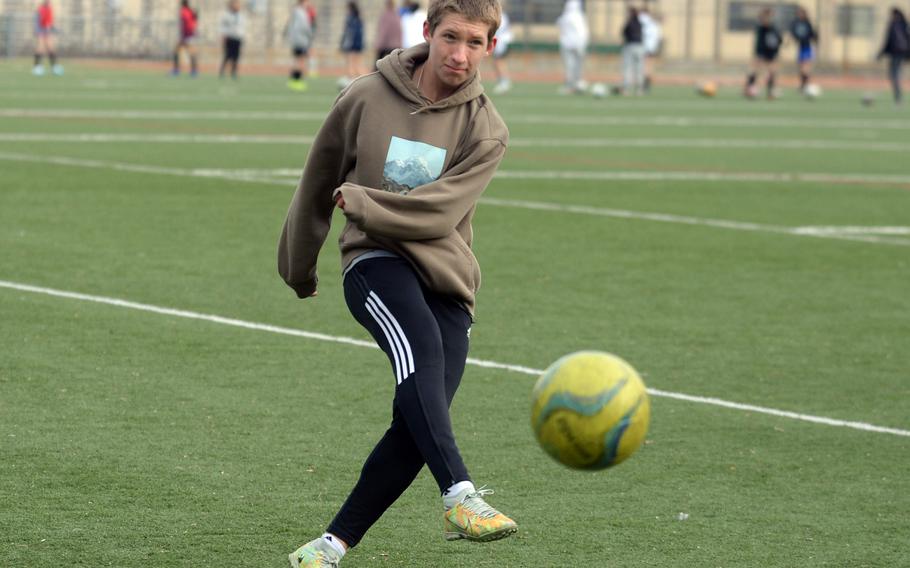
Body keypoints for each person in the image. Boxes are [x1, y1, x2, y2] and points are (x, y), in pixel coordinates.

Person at [278, 1, 516, 566]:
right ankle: (460, 494)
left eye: (475, 43)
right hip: (374, 260)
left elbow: (437, 213)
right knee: (422, 355)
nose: (460, 54)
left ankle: (330, 546)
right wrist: (299, 264)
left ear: (490, 48)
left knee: (417, 419)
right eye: (451, 37)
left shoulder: (487, 129)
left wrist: (362, 200)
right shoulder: (364, 95)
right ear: (427, 31)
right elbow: (317, 179)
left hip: (446, 275)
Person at [744, 7, 782, 100]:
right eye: (764, 18)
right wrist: (758, 55)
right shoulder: (760, 29)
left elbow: (779, 41)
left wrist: (776, 52)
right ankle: (749, 89)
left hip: (771, 54)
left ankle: (770, 92)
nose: (766, 20)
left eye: (768, 17)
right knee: (755, 71)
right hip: (761, 52)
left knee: (772, 72)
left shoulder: (774, 29)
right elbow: (759, 44)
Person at [877, 7, 910, 105]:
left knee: (893, 75)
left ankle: (898, 96)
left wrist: (881, 53)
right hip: (902, 53)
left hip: (896, 53)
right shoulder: (905, 24)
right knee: (895, 75)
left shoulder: (894, 25)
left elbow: (888, 41)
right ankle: (898, 95)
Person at [557, 0, 589, 94]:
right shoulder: (580, 17)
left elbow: (559, 24)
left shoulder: (568, 17)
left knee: (571, 66)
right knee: (576, 66)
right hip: (576, 45)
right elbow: (584, 32)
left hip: (569, 44)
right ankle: (576, 84)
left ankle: (572, 85)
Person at [285, 0, 315, 91]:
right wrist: (310, 34)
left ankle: (293, 80)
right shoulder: (300, 12)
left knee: (297, 60)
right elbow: (304, 27)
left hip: (297, 40)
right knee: (301, 61)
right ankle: (297, 81)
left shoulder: (296, 11)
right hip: (301, 40)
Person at [790, 7, 818, 93]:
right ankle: (803, 85)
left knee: (805, 68)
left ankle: (806, 85)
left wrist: (815, 42)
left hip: (807, 47)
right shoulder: (796, 23)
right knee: (801, 68)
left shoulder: (807, 24)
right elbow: (794, 34)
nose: (800, 15)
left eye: (801, 13)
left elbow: (813, 35)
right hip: (801, 48)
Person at [32, 0, 62, 76]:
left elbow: (50, 22)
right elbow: (40, 21)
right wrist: (41, 30)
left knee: (51, 47)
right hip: (41, 30)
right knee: (40, 47)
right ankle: (37, 67)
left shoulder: (50, 9)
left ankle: (54, 67)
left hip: (47, 30)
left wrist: (53, 28)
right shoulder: (41, 9)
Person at [339, 2, 365, 87]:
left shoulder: (351, 19)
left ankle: (352, 83)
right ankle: (363, 80)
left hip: (352, 45)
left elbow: (349, 34)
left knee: (351, 64)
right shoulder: (358, 18)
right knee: (357, 64)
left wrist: (344, 45)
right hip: (358, 45)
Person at [218, 0, 246, 79]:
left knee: (236, 56)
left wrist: (242, 36)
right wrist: (223, 36)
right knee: (228, 55)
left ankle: (233, 72)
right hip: (229, 37)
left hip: (238, 38)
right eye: (235, 5)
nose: (237, 6)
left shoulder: (241, 16)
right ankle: (222, 71)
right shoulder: (226, 15)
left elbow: (242, 27)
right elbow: (223, 27)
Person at [621, 7, 645, 96]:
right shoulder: (640, 23)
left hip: (630, 46)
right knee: (639, 68)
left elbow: (624, 32)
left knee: (628, 68)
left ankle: (626, 88)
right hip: (640, 47)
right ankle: (640, 89)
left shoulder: (629, 22)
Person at [172, 0, 199, 77]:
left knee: (183, 51)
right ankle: (193, 71)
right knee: (180, 50)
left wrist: (184, 35)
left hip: (186, 34)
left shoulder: (184, 11)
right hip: (190, 33)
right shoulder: (190, 11)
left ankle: (177, 70)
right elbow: (194, 21)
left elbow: (186, 23)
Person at [639, 7, 662, 93]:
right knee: (648, 67)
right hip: (651, 47)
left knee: (644, 67)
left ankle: (644, 84)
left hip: (645, 47)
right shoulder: (654, 24)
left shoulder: (644, 21)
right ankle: (645, 84)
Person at [491, 8, 513, 94]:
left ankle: (504, 82)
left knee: (498, 62)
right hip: (502, 41)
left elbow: (499, 31)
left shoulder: (501, 16)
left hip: (502, 42)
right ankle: (503, 81)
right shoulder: (501, 15)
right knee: (498, 62)